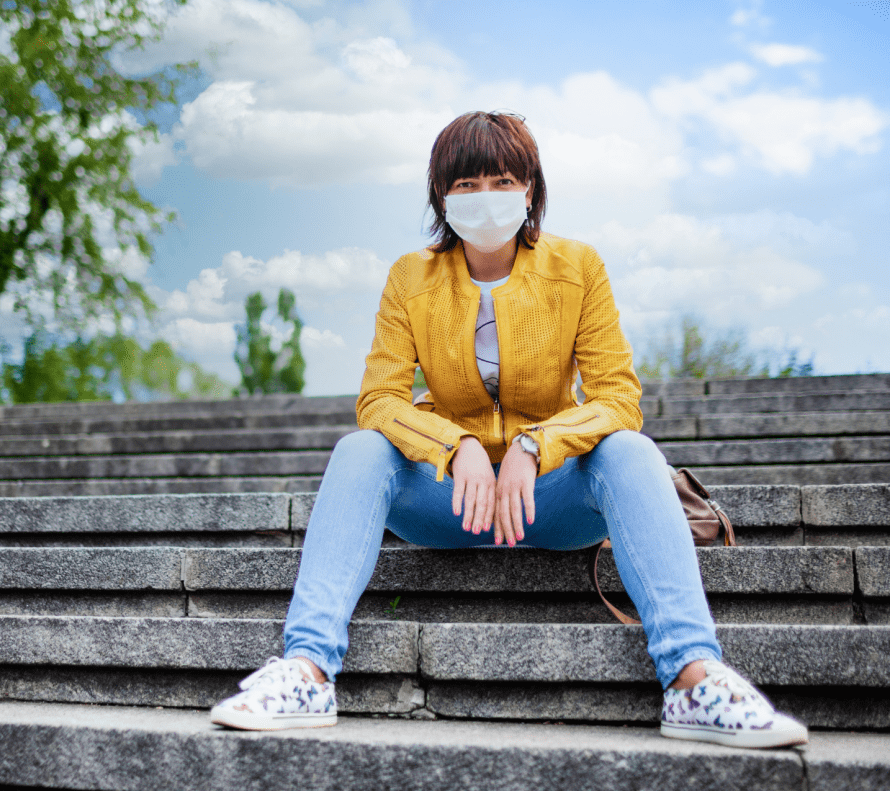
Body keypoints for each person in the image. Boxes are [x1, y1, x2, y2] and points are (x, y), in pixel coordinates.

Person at [210, 111, 808, 750]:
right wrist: (454, 445)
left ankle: (693, 680)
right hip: (452, 500)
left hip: (547, 496)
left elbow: (617, 400)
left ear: (530, 188)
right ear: (441, 195)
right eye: (466, 185)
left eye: (501, 180)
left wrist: (534, 445)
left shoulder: (578, 267)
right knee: (360, 451)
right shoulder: (410, 278)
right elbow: (379, 401)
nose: (485, 198)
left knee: (631, 451)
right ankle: (306, 672)